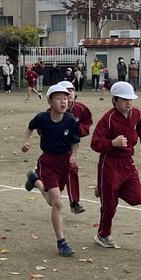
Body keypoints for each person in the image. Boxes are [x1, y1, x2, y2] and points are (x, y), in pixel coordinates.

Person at [22, 84, 80, 258]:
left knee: (51, 201)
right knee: (58, 203)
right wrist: (26, 142)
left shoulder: (70, 119)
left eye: (66, 98)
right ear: (50, 101)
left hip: (64, 163)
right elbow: (30, 127)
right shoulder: (42, 118)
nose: (63, 102)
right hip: (47, 162)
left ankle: (35, 180)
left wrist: (73, 155)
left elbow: (75, 140)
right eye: (59, 98)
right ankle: (62, 242)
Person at [90, 81, 141, 249]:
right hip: (109, 163)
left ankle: (105, 189)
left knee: (138, 198)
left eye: (131, 99)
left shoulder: (137, 113)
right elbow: (95, 143)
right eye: (124, 99)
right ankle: (103, 235)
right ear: (115, 100)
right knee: (109, 206)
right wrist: (112, 143)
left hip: (127, 163)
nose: (128, 103)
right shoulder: (108, 119)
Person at [58, 80, 90, 214]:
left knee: (72, 170)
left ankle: (74, 203)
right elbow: (42, 128)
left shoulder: (81, 109)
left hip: (71, 147)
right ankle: (36, 177)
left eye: (71, 90)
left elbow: (87, 123)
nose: (69, 93)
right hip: (55, 149)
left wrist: (78, 131)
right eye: (66, 91)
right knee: (55, 179)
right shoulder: (52, 110)